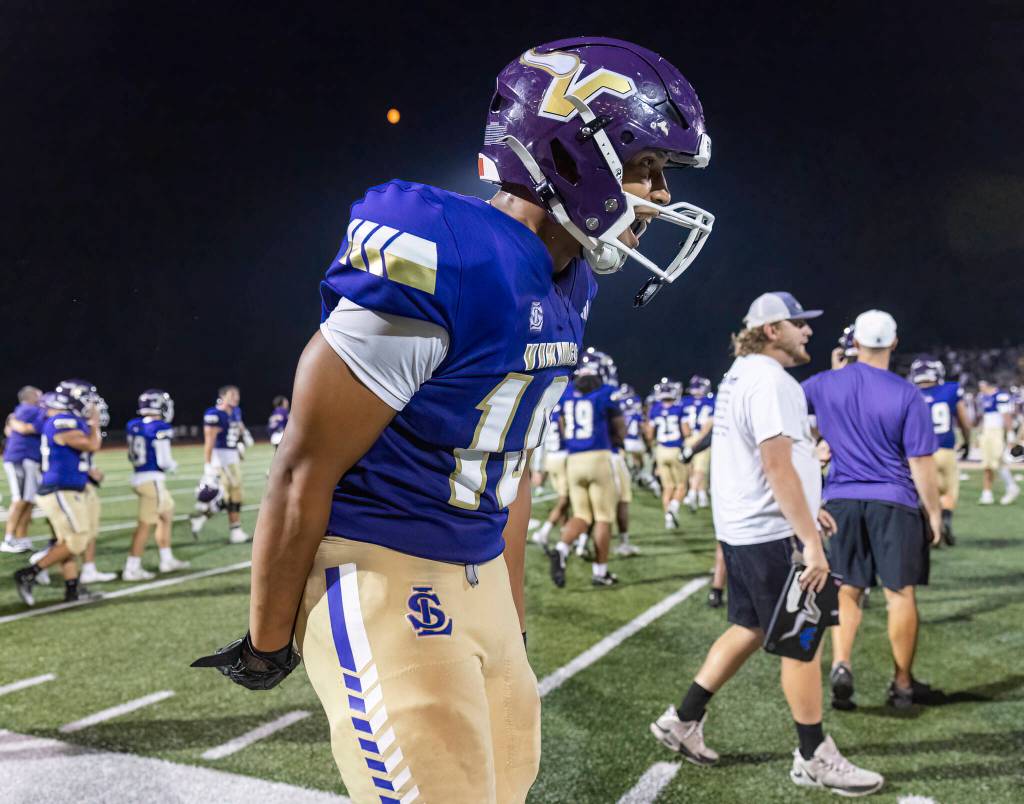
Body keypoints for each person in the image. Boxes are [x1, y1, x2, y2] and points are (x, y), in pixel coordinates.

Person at [193, 37, 714, 802]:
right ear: (570, 156)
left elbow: (512, 466)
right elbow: (305, 465)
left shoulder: (570, 283)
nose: (662, 195)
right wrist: (268, 642)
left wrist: (511, 622)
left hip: (479, 585)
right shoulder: (446, 250)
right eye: (646, 167)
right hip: (380, 575)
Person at [650, 291, 882, 796]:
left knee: (750, 627)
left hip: (744, 526)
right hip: (769, 532)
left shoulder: (740, 374)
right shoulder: (771, 380)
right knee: (803, 642)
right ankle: (812, 755)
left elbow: (768, 459)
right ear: (772, 329)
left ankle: (682, 719)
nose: (809, 332)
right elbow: (775, 462)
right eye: (798, 323)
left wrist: (808, 499)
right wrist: (810, 541)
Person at [802, 309, 942, 711]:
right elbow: (920, 462)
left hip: (841, 499)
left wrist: (813, 449)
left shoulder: (825, 383)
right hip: (894, 500)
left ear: (855, 343)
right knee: (900, 593)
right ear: (893, 343)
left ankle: (842, 665)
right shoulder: (906, 393)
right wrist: (933, 514)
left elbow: (790, 416)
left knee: (848, 589)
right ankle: (901, 684)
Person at [13, 390, 104, 606]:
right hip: (60, 489)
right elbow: (91, 445)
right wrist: (95, 424)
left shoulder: (60, 420)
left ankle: (72, 590)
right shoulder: (62, 421)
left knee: (67, 542)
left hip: (65, 486)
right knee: (78, 540)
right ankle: (30, 572)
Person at [549, 358, 626, 587]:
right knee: (603, 517)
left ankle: (562, 548)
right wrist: (615, 441)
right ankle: (600, 572)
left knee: (582, 515)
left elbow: (562, 425)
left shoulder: (567, 392)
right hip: (599, 457)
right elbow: (620, 427)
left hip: (573, 459)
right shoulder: (606, 392)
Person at [122, 390, 189, 580]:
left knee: (167, 513)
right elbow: (164, 460)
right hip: (152, 481)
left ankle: (166, 559)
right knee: (145, 525)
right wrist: (174, 466)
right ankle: (132, 568)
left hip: (139, 476)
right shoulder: (160, 427)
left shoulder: (133, 425)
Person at [909, 356, 971, 544]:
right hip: (945, 450)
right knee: (948, 493)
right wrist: (966, 441)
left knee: (925, 492)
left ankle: (931, 529)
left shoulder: (909, 392)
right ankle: (945, 521)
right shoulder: (950, 390)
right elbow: (964, 420)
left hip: (919, 452)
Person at [191, 385, 249, 543]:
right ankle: (232, 530)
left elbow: (239, 425)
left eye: (237, 394)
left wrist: (245, 435)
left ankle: (206, 520)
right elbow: (209, 442)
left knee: (233, 497)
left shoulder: (236, 411)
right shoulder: (214, 414)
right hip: (221, 460)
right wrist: (208, 465)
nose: (236, 397)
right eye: (232, 394)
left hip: (233, 459)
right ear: (223, 396)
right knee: (230, 496)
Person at [2, 386, 46, 554]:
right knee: (20, 499)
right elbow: (26, 428)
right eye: (40, 395)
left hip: (29, 458)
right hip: (21, 458)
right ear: (32, 397)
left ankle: (22, 538)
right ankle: (9, 539)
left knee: (28, 499)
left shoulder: (22, 411)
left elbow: (12, 427)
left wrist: (14, 423)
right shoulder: (31, 410)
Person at [531, 386, 572, 550]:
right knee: (565, 499)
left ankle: (565, 531)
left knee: (563, 498)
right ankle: (544, 531)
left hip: (550, 460)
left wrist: (537, 468)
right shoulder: (563, 413)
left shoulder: (546, 412)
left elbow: (540, 444)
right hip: (562, 457)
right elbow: (567, 432)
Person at [646, 377, 689, 529]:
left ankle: (668, 519)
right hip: (675, 449)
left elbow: (650, 434)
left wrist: (651, 447)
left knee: (667, 487)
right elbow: (686, 431)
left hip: (661, 450)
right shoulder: (679, 408)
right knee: (681, 486)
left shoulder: (655, 409)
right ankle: (674, 508)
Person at [976, 379, 1019, 505]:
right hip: (987, 432)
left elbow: (1006, 416)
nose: (980, 388)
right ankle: (990, 492)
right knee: (989, 462)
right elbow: (984, 417)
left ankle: (1006, 488)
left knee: (996, 460)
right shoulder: (983, 397)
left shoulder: (1000, 396)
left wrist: (1010, 435)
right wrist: (980, 434)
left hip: (997, 431)